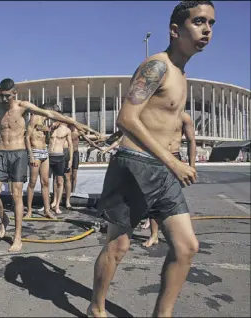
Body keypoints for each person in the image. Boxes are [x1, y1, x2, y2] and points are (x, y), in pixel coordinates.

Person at [88, 2, 214, 317]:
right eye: (199, 21)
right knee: (118, 246)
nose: (207, 29)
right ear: (175, 30)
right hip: (136, 166)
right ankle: (96, 307)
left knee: (186, 247)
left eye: (211, 22)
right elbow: (127, 119)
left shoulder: (182, 74)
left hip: (165, 172)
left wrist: (178, 161)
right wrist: (174, 163)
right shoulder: (156, 66)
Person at [0, 78, 98, 252]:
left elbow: (50, 114)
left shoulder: (23, 106)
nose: (5, 99)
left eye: (8, 96)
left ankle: (17, 237)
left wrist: (75, 122)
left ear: (14, 93)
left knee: (17, 195)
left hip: (18, 154)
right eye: (2, 96)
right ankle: (4, 219)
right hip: (2, 154)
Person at [143, 110, 196, 248]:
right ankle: (154, 235)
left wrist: (192, 166)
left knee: (173, 198)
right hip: (155, 158)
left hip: (174, 157)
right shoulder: (157, 113)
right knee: (152, 198)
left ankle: (176, 234)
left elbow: (191, 140)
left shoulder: (184, 117)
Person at [25, 103, 56, 219]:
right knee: (32, 182)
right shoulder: (35, 117)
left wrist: (48, 131)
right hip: (35, 151)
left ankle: (47, 210)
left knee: (45, 182)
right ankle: (29, 210)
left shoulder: (45, 122)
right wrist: (31, 155)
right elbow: (27, 137)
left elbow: (45, 139)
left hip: (44, 151)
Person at [48, 117, 73, 215]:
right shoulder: (51, 128)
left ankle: (58, 205)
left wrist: (70, 159)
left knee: (60, 181)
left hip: (60, 156)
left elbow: (70, 145)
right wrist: (50, 128)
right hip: (49, 155)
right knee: (45, 181)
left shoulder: (67, 130)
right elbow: (45, 140)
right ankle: (48, 204)